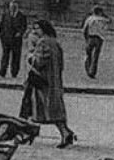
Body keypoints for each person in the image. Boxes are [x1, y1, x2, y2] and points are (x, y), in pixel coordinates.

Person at [20, 18, 76, 148]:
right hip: (53, 81)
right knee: (54, 112)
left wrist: (29, 56)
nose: (35, 31)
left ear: (43, 29)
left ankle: (26, 134)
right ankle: (65, 133)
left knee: (34, 108)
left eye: (37, 28)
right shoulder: (55, 42)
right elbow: (61, 64)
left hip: (42, 82)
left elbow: (38, 62)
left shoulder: (43, 42)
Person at [0, 0, 27, 78]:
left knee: (16, 56)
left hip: (16, 40)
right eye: (11, 6)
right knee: (5, 55)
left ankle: (14, 72)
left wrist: (20, 33)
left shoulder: (21, 16)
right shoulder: (5, 15)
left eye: (14, 7)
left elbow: (24, 27)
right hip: (6, 39)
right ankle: (2, 70)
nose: (12, 8)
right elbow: (1, 26)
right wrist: (2, 35)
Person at [82, 5, 109, 79]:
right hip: (99, 38)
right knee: (96, 56)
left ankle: (88, 69)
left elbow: (85, 29)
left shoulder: (90, 19)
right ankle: (93, 71)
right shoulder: (104, 20)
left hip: (91, 37)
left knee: (88, 54)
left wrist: (86, 38)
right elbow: (106, 27)